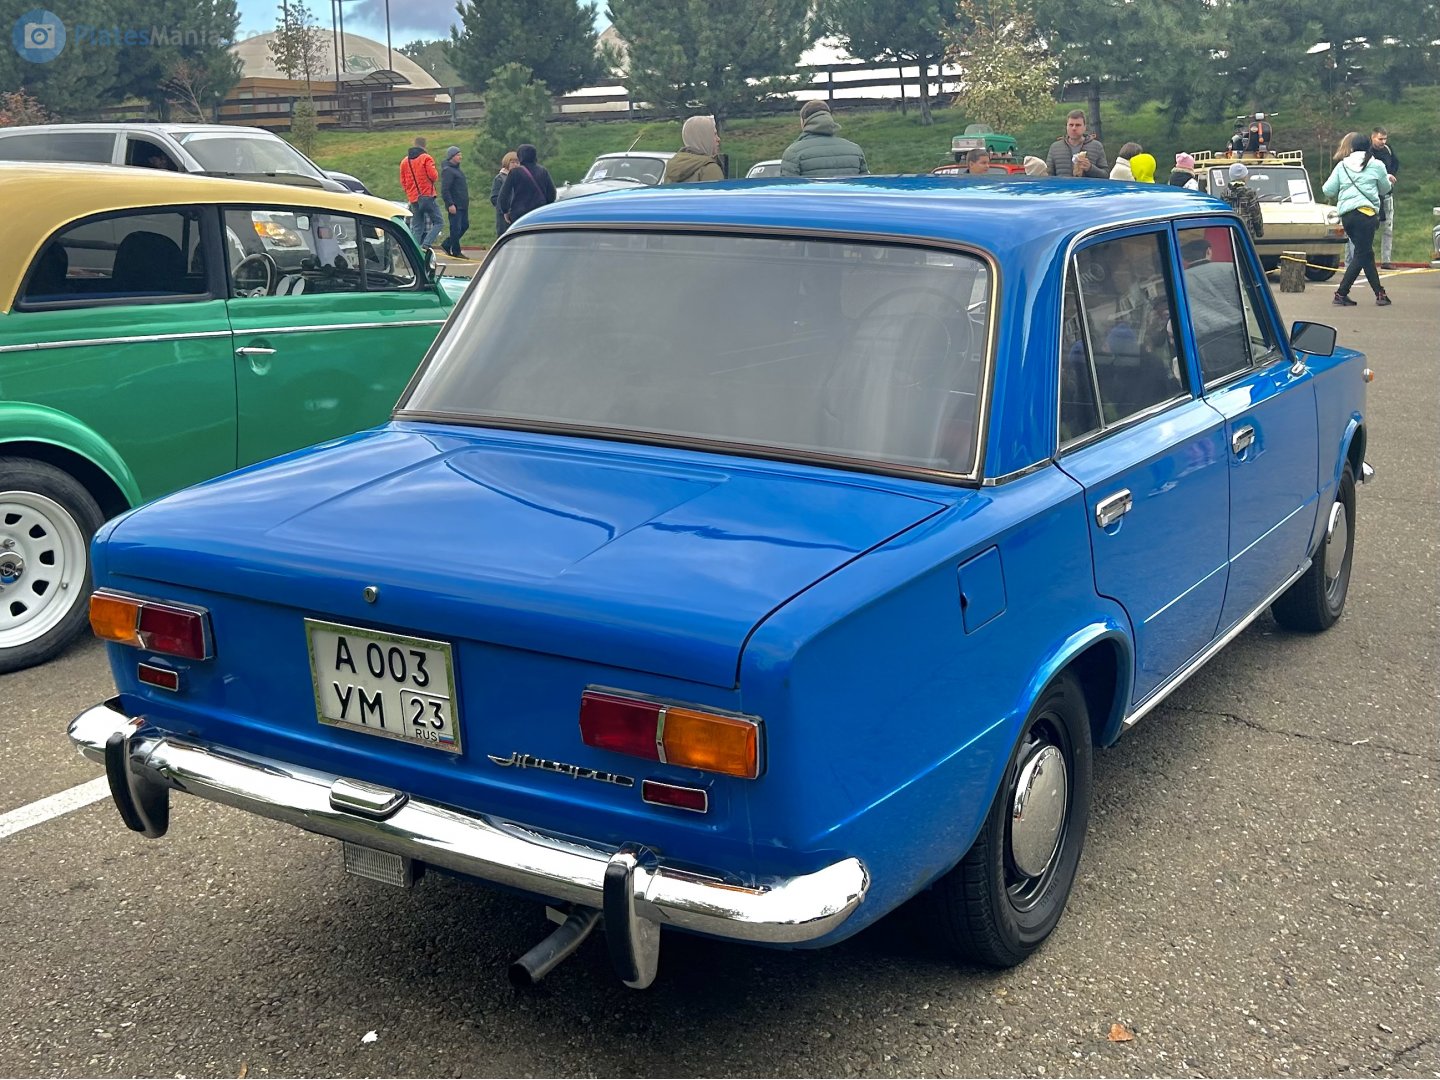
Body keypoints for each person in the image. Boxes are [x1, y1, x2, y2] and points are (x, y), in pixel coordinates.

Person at [1323, 132, 1393, 307]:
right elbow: (1384, 189)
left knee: (1366, 253)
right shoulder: (1377, 165)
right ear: (1368, 146)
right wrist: (1388, 182)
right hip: (1366, 214)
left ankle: (1380, 293)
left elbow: (1328, 190)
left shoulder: (1342, 166)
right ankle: (1341, 293)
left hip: (1347, 216)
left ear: (1352, 147)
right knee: (1362, 254)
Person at [779, 100, 868, 178]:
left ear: (804, 121)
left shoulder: (794, 152)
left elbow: (789, 190)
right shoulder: (855, 150)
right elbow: (866, 186)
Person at [496, 143, 556, 228]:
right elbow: (552, 194)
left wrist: (505, 211)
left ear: (520, 156)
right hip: (539, 213)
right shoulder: (543, 171)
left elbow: (504, 194)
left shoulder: (515, 172)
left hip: (519, 215)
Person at [400, 136, 442, 250]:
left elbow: (403, 181)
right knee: (439, 222)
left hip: (413, 198)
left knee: (418, 227)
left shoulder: (405, 161)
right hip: (427, 196)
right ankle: (426, 245)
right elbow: (434, 176)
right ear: (424, 145)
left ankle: (414, 250)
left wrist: (410, 192)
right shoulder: (426, 158)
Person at [1369, 126, 1400, 268]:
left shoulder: (1388, 149)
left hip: (1388, 194)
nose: (1383, 142)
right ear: (1373, 137)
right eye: (1380, 139)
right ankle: (1366, 258)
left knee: (1388, 228)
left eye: (1385, 139)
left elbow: (1395, 163)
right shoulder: (1368, 152)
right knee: (1370, 228)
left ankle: (1386, 259)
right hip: (1372, 196)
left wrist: (1392, 175)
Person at [1046, 110, 1108, 178]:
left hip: (1087, 187)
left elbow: (1105, 175)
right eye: (1071, 125)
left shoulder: (1096, 146)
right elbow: (1048, 175)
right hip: (1063, 188)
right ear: (1066, 127)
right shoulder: (1055, 147)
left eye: (1078, 125)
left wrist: (1090, 168)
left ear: (1085, 127)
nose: (1074, 128)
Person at [664, 115, 725, 183]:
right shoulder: (709, 169)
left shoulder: (672, 168)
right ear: (704, 137)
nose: (718, 139)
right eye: (714, 134)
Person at [1218, 162, 1264, 241]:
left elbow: (1222, 213)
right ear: (1245, 177)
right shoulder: (1250, 193)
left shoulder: (1224, 193)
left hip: (1230, 230)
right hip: (1246, 232)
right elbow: (1256, 215)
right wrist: (1259, 232)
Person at [440, 145, 470, 259]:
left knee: (464, 225)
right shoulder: (448, 171)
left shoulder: (457, 170)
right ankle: (456, 251)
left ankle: (447, 244)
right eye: (458, 155)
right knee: (455, 228)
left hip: (463, 205)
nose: (460, 157)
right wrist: (450, 204)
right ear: (451, 156)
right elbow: (445, 189)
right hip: (455, 205)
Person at [490, 151, 517, 238]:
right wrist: (505, 209)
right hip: (503, 217)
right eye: (512, 162)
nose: (515, 165)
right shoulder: (500, 178)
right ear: (506, 163)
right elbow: (494, 198)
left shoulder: (519, 178)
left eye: (517, 162)